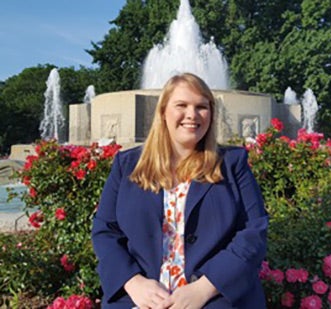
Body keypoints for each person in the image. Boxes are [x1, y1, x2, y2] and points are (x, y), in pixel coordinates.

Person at [91, 73, 268, 308]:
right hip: (140, 295)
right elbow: (105, 231)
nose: (192, 115)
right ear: (163, 112)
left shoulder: (232, 164)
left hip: (216, 295)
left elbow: (253, 232)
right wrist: (133, 282)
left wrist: (204, 289)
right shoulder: (127, 165)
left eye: (201, 107)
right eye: (181, 105)